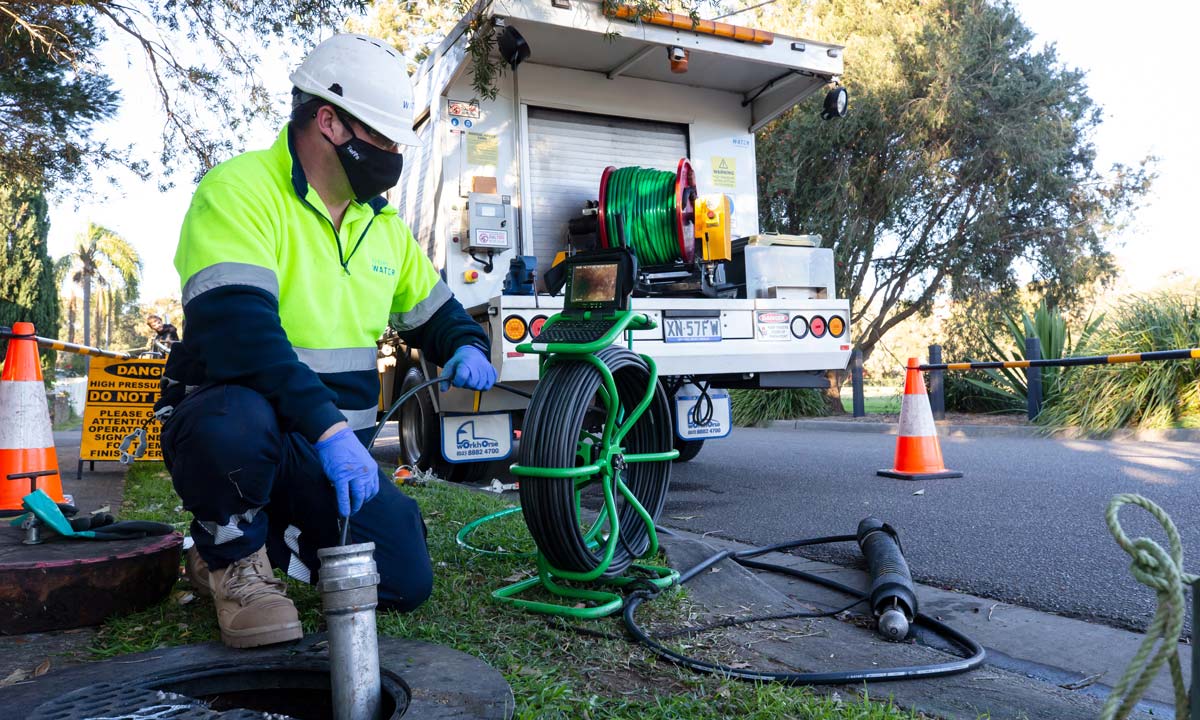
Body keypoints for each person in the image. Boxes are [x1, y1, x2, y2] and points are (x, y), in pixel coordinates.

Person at [158, 34, 497, 649]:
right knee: (230, 421)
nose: (394, 154)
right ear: (329, 122)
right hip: (256, 434)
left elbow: (437, 312)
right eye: (384, 139)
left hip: (325, 459)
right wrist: (330, 429)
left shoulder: (382, 228)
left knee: (403, 580)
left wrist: (466, 343)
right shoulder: (239, 192)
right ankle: (230, 555)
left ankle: (275, 540)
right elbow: (242, 335)